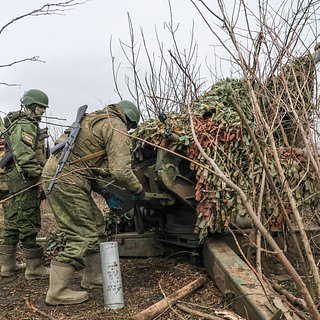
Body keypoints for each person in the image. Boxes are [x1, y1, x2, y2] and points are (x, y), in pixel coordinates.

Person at [42, 100, 145, 306]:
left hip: (62, 176)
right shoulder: (115, 126)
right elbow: (121, 171)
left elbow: (91, 166)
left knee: (98, 226)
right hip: (67, 180)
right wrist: (139, 190)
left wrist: (105, 192)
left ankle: (93, 277)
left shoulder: (93, 120)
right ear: (129, 119)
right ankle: (57, 291)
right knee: (83, 235)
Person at [0, 89, 50, 280]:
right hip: (24, 177)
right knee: (29, 218)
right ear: (30, 106)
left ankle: (8, 265)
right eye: (40, 108)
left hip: (18, 176)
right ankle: (34, 268)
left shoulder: (22, 124)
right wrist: (41, 176)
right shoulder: (25, 125)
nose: (42, 112)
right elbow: (24, 155)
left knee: (13, 218)